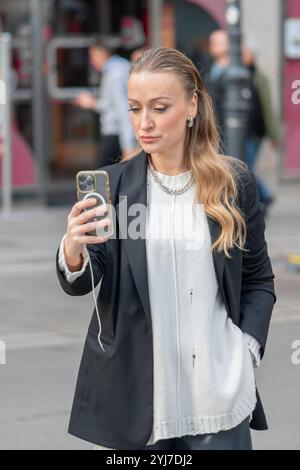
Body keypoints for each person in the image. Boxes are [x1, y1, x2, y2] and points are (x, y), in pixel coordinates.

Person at [56, 47, 276, 450]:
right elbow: (84, 279)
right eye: (135, 108)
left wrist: (247, 349)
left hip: (219, 398)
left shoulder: (234, 183)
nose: (145, 123)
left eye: (159, 108)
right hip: (141, 406)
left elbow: (259, 278)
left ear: (192, 105)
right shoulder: (116, 186)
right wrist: (73, 249)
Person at [74, 36, 137, 166]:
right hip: (117, 134)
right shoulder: (119, 67)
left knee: (105, 179)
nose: (92, 61)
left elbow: (122, 109)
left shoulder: (115, 74)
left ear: (102, 53)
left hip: (116, 135)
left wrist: (128, 145)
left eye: (93, 56)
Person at [242, 41, 277, 216]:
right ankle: (264, 197)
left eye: (246, 53)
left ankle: (265, 195)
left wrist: (273, 134)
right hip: (245, 132)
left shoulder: (259, 78)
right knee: (248, 167)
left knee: (248, 168)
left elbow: (268, 108)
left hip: (255, 133)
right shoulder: (240, 74)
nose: (243, 55)